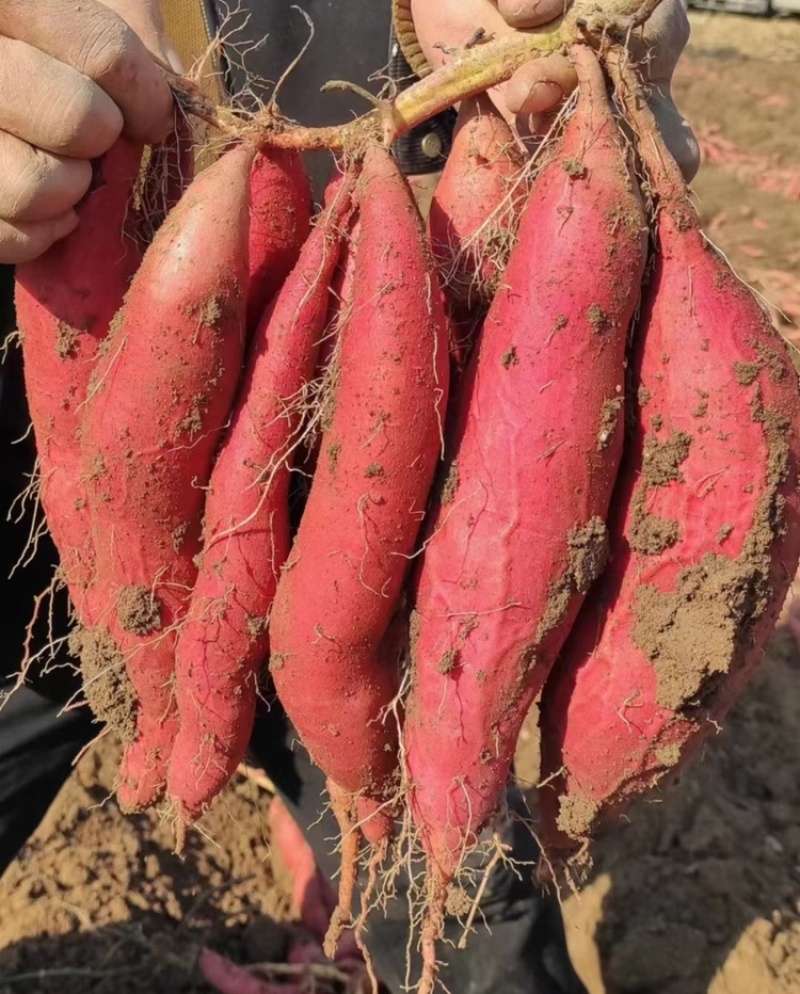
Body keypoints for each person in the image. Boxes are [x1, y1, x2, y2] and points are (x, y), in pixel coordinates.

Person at [0, 2, 698, 991]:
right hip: (53, 537)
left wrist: (508, 35)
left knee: (450, 882)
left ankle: (382, 887)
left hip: (366, 519)